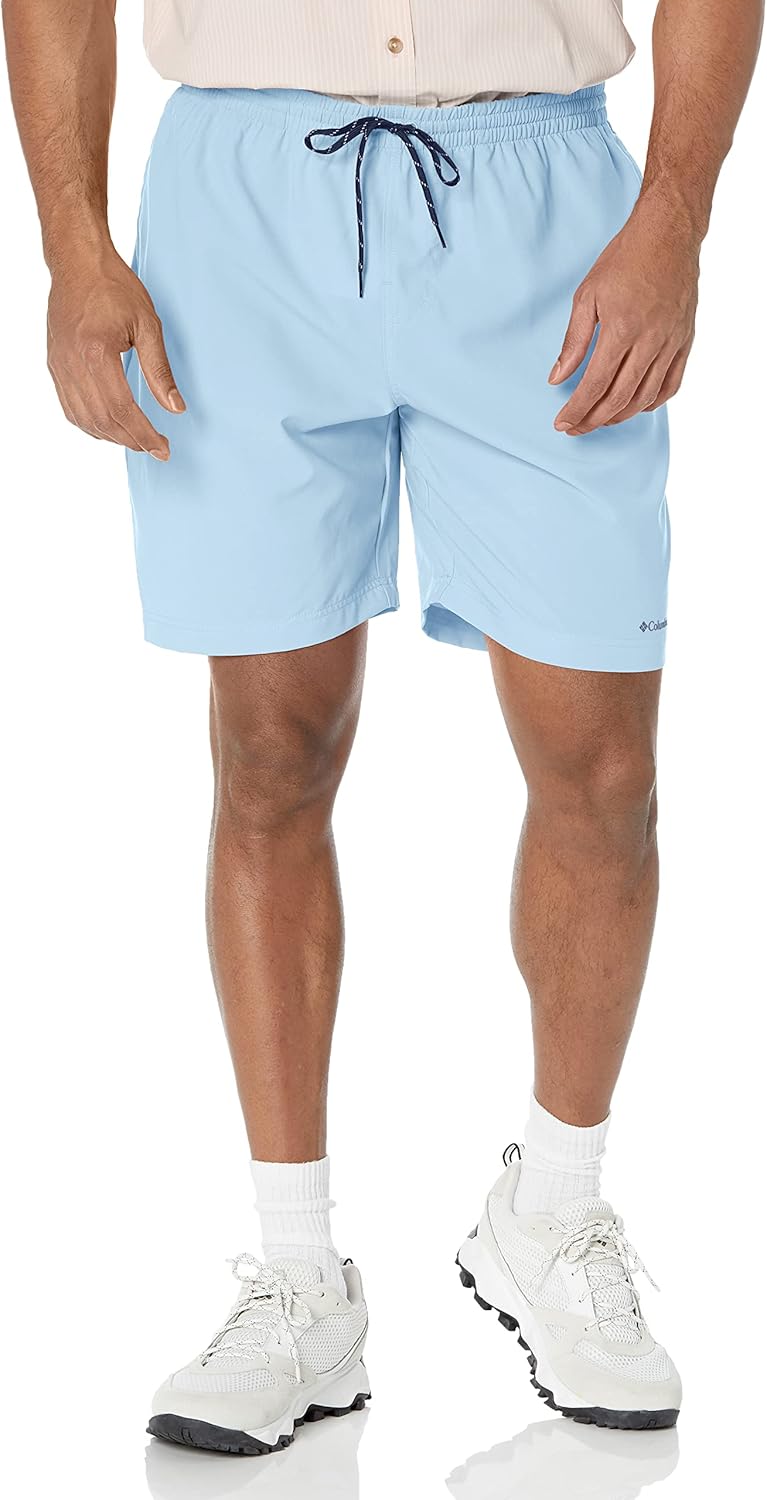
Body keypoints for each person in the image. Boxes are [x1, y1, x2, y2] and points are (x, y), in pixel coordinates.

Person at [4, 0, 762, 1455]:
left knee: (604, 766)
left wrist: (675, 217)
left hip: (546, 206)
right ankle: (297, 1275)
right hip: (241, 213)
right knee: (268, 759)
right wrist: (72, 243)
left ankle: (553, 1210)